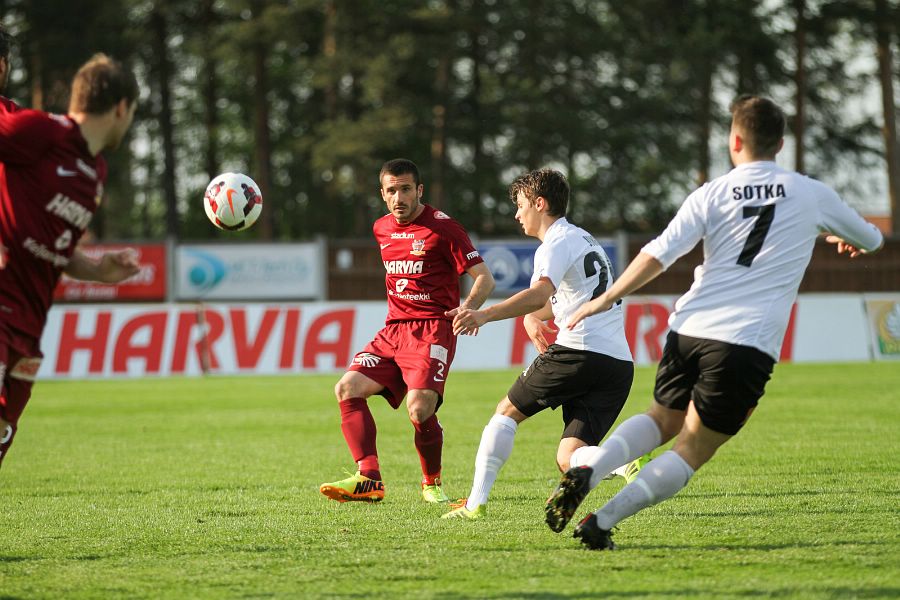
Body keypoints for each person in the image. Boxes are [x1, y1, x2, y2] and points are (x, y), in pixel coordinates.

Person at [544, 95, 885, 550]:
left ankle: (589, 467)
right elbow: (873, 238)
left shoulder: (712, 192)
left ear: (735, 140)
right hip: (745, 342)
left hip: (690, 328)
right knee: (692, 447)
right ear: (781, 143)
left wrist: (608, 296)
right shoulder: (810, 192)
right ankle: (601, 522)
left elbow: (658, 254)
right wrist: (844, 236)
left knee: (659, 418)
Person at [441, 168, 638, 520]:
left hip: (579, 351)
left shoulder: (555, 242)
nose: (517, 214)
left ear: (540, 203)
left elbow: (538, 293)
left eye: (520, 205)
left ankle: (474, 504)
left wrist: (485, 315)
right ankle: (622, 462)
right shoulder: (584, 239)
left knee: (505, 412)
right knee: (569, 456)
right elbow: (563, 298)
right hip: (617, 363)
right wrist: (534, 315)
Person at [319, 158, 495, 503]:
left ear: (419, 191)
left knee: (419, 409)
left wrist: (469, 307)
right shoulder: (381, 228)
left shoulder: (444, 228)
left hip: (433, 330)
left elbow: (485, 278)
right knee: (347, 388)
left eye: (405, 189)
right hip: (393, 330)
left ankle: (431, 484)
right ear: (382, 194)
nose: (398, 197)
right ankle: (369, 478)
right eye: (391, 190)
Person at [0, 52, 142, 469]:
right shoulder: (38, 130)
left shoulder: (95, 169)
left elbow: (52, 245)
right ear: (121, 107)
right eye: (132, 111)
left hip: (28, 328)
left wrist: (97, 269)